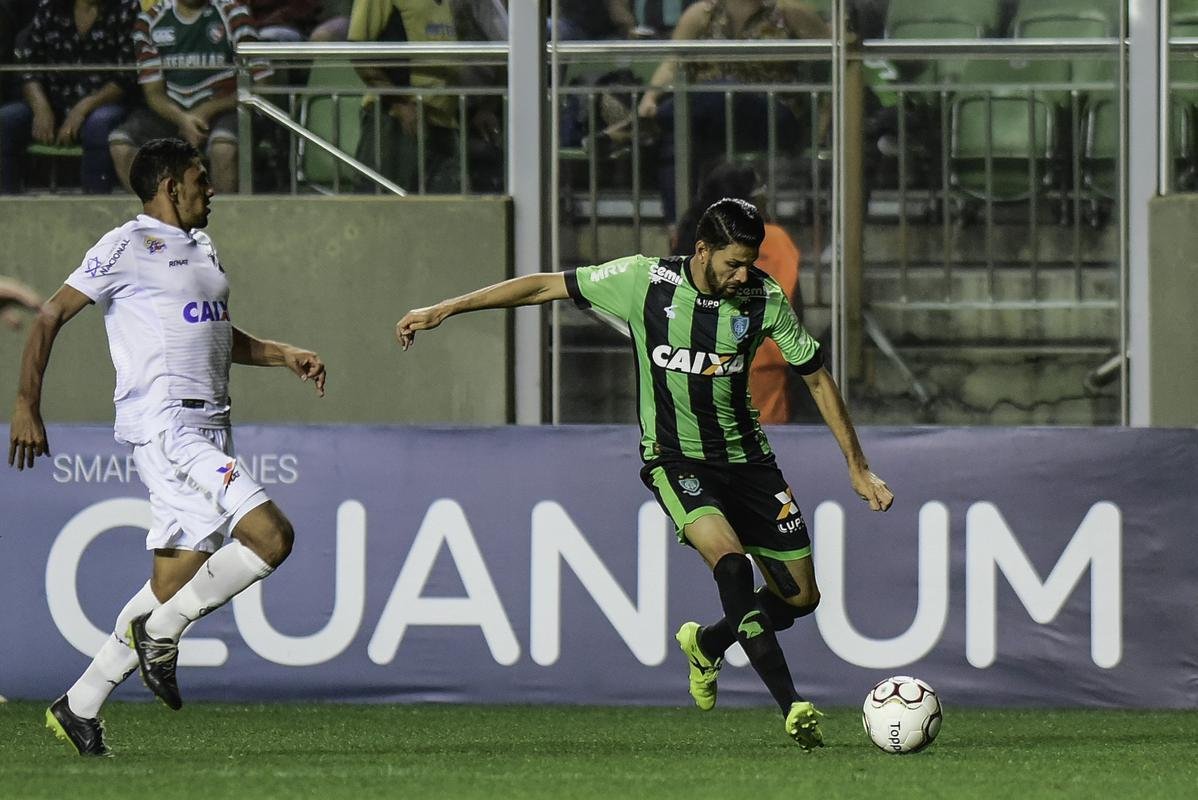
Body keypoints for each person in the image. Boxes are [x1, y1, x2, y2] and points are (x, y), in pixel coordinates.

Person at [396, 197, 892, 748]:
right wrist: (445, 308)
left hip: (749, 461)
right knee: (729, 563)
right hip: (675, 458)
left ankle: (707, 644)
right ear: (700, 250)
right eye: (733, 263)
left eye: (749, 263)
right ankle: (790, 704)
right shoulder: (643, 281)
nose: (742, 274)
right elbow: (541, 286)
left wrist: (858, 467)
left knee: (801, 598)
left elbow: (816, 378)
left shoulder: (762, 298)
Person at [7, 137, 327, 756]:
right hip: (168, 427)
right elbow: (49, 315)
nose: (212, 189)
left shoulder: (201, 246)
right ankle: (164, 633)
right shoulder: (125, 245)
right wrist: (25, 403)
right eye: (200, 178)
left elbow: (210, 329)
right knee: (271, 537)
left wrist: (280, 353)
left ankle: (80, 703)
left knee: (171, 583)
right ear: (167, 186)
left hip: (211, 424)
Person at [636, 0, 829, 230]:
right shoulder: (701, 14)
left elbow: (830, 56)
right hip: (715, 119)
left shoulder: (788, 11)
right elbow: (672, 62)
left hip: (773, 115)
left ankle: (640, 126)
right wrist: (650, 97)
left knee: (726, 89)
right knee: (677, 137)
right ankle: (679, 230)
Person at [673, 160, 802, 423]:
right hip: (761, 372)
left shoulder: (692, 239)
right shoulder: (773, 240)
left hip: (696, 368)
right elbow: (793, 310)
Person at [109, 0, 270, 195]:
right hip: (170, 111)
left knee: (223, 148)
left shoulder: (233, 13)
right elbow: (153, 93)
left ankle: (220, 222)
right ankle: (159, 219)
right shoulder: (150, 20)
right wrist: (182, 119)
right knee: (121, 143)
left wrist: (207, 110)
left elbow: (260, 84)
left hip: (225, 108)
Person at [348, 0, 506, 193]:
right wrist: (400, 104)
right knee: (381, 211)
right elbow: (358, 50)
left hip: (445, 123)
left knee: (445, 213)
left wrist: (485, 107)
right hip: (398, 122)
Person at [0, 0, 137, 194]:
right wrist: (40, 107)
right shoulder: (48, 8)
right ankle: (7, 208)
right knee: (5, 121)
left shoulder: (126, 8)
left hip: (102, 103)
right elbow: (29, 68)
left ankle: (95, 209)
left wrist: (82, 109)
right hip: (52, 102)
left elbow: (127, 77)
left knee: (99, 124)